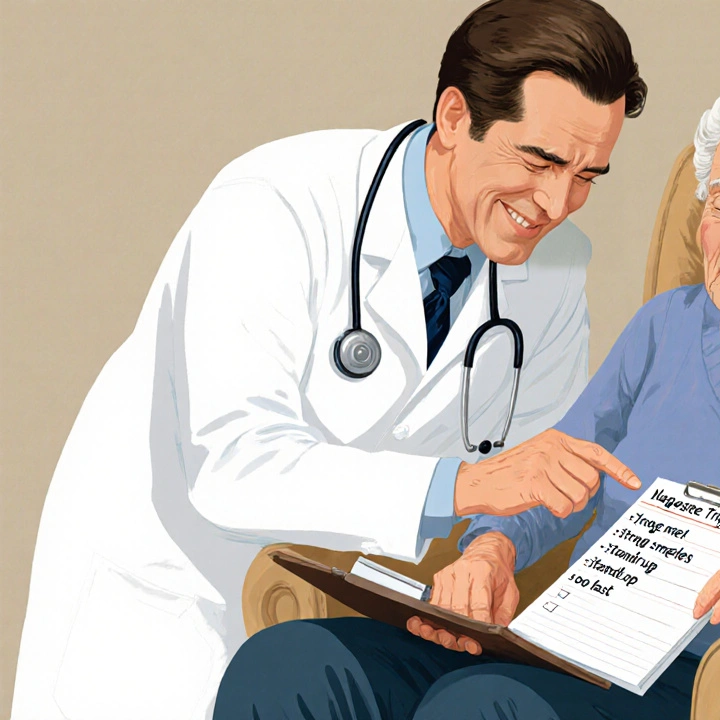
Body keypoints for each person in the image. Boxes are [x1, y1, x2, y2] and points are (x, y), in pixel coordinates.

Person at [215, 74, 720, 720]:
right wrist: (491, 551)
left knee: (481, 709)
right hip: (565, 646)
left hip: (698, 679)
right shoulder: (668, 326)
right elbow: (563, 473)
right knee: (291, 664)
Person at [10, 2, 650, 719]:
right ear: (453, 116)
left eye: (589, 174)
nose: (560, 201)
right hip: (171, 592)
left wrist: (487, 558)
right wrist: (460, 486)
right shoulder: (273, 204)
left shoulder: (558, 266)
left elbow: (529, 469)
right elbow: (232, 468)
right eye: (540, 160)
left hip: (340, 618)